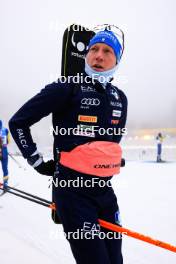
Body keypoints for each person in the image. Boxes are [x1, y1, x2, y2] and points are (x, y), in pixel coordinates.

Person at [9, 28, 128, 264]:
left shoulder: (119, 97)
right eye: (93, 49)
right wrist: (37, 161)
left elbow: (111, 143)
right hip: (73, 193)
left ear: (117, 59)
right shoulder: (66, 88)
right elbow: (18, 123)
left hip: (105, 193)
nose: (98, 55)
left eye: (107, 51)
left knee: (116, 260)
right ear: (85, 56)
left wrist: (108, 162)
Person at [0, 120, 10, 190]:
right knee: (5, 168)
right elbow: (8, 141)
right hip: (4, 152)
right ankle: (5, 184)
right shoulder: (5, 130)